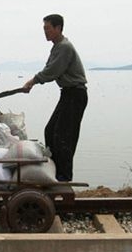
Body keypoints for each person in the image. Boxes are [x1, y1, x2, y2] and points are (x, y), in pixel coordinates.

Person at [22, 14, 88, 182]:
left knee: (64, 136)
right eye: (44, 29)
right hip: (67, 93)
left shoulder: (64, 47)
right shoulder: (57, 47)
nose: (45, 32)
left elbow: (53, 71)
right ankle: (55, 169)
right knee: (51, 131)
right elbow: (49, 67)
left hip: (75, 94)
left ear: (58, 28)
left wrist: (33, 81)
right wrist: (34, 81)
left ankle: (64, 176)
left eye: (48, 28)